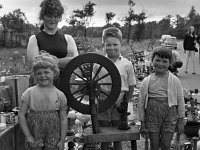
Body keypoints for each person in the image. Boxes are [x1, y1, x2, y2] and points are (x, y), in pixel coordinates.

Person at [93, 27, 137, 150]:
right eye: (108, 44)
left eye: (115, 44)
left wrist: (125, 103)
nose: (112, 47)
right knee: (104, 134)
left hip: (120, 101)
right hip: (103, 100)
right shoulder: (98, 64)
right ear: (103, 45)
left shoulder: (127, 64)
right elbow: (93, 84)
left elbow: (131, 85)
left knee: (119, 134)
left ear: (120, 44)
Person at [138, 46, 185, 150]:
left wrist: (181, 120)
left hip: (170, 115)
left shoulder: (175, 80)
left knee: (165, 145)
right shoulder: (146, 81)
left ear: (170, 63)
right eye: (157, 60)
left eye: (164, 61)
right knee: (154, 146)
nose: (160, 64)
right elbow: (141, 103)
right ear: (152, 60)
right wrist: (142, 122)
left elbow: (181, 101)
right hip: (151, 115)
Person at [19, 52, 68, 150]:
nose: (42, 76)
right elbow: (21, 115)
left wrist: (62, 140)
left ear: (54, 73)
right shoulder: (28, 93)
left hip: (53, 135)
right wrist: (28, 136)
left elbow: (63, 119)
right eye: (39, 73)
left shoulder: (60, 95)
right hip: (34, 134)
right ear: (34, 75)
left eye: (46, 72)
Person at [27, 0, 78, 88]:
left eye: (56, 16)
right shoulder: (34, 39)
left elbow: (75, 63)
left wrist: (46, 60)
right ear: (42, 16)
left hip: (63, 86)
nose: (52, 20)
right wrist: (64, 61)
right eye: (49, 16)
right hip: (41, 87)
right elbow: (36, 65)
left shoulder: (68, 39)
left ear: (60, 17)